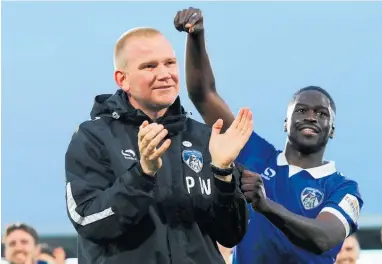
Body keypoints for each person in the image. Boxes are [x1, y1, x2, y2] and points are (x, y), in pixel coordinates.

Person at [175, 7, 364, 264]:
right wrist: (196, 36)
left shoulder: (343, 188)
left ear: (332, 130)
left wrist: (267, 207)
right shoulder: (254, 152)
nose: (311, 117)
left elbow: (323, 239)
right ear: (286, 123)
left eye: (322, 114)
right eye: (301, 110)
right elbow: (203, 94)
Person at [64, 22, 252, 264]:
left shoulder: (204, 138)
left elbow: (231, 234)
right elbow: (88, 220)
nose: (165, 74)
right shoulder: (93, 137)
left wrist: (223, 174)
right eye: (149, 66)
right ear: (123, 79)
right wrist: (143, 174)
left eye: (170, 63)